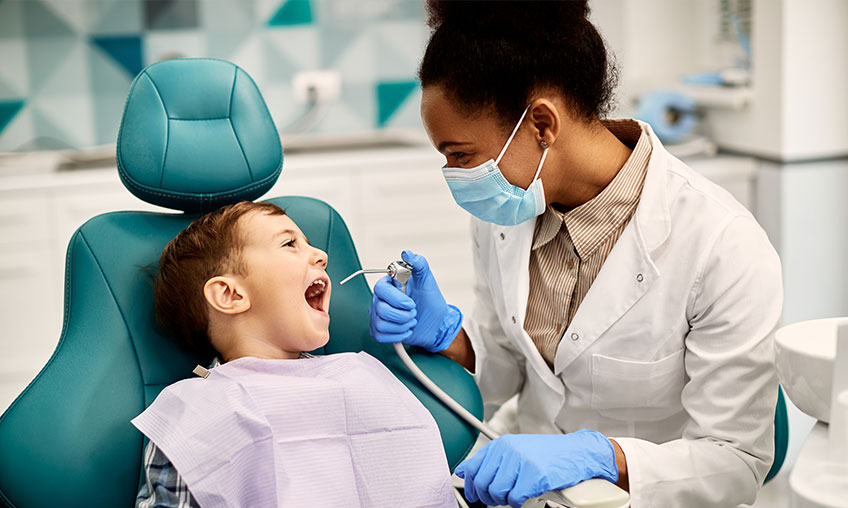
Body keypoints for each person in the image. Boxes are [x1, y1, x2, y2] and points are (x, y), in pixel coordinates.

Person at [368, 2, 783, 507]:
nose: (455, 175)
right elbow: (504, 368)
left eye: (460, 155)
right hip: (522, 494)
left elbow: (736, 464)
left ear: (542, 123)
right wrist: (447, 336)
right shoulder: (505, 214)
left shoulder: (722, 244)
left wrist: (601, 456)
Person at [133, 201, 455, 508]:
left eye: (309, 243)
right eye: (289, 244)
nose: (322, 255)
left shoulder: (358, 376)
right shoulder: (196, 416)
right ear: (230, 295)